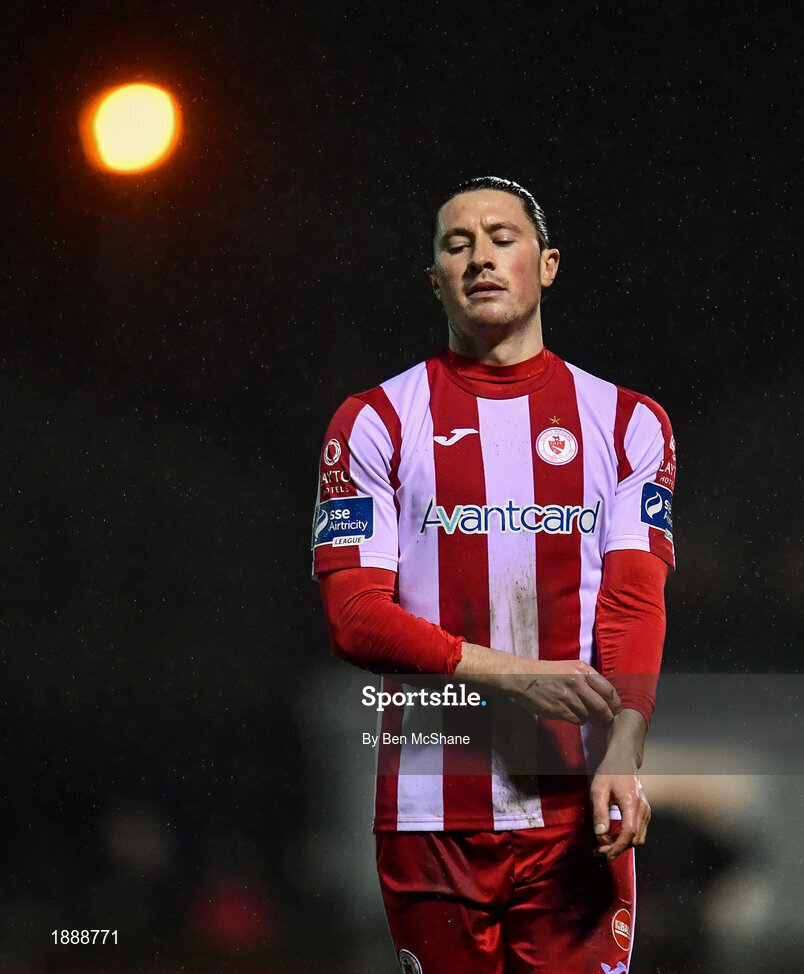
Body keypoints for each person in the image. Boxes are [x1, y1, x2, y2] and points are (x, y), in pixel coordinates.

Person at [312, 176, 675, 974]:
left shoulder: (628, 422)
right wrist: (517, 677)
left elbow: (632, 599)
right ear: (434, 278)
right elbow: (356, 618)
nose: (481, 256)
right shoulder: (372, 420)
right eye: (457, 243)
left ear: (547, 265)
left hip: (577, 808)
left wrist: (625, 745)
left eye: (502, 237)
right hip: (430, 813)